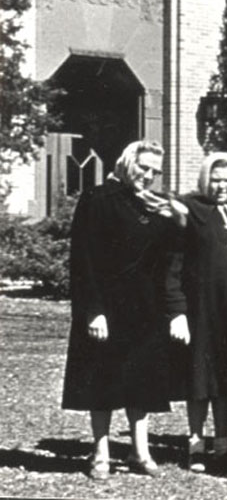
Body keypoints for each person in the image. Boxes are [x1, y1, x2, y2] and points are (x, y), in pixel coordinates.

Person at [62, 140, 187, 480]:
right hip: (106, 305)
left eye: (154, 171)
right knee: (101, 380)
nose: (148, 176)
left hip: (145, 307)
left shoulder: (155, 206)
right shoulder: (98, 199)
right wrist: (93, 310)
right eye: (143, 167)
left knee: (141, 380)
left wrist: (177, 221)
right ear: (127, 162)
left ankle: (139, 450)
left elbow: (170, 261)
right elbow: (83, 260)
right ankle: (100, 451)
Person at [166, 152, 227, 473]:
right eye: (215, 179)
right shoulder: (191, 210)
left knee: (225, 378)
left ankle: (222, 443)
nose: (221, 186)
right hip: (201, 311)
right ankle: (196, 443)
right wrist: (177, 310)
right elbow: (175, 264)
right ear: (205, 179)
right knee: (199, 379)